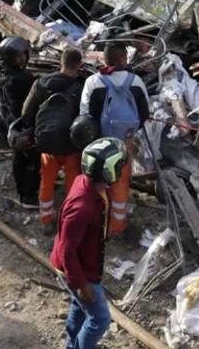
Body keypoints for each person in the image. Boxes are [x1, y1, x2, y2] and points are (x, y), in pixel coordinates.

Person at [50, 137, 127, 349]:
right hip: (78, 270)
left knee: (80, 308)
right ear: (109, 172)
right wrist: (82, 284)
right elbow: (67, 251)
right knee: (100, 320)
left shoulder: (88, 183)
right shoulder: (81, 209)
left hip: (85, 263)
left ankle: (71, 345)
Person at [80, 41, 150, 235]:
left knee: (97, 180)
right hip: (123, 142)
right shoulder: (135, 81)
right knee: (120, 181)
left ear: (105, 59)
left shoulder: (93, 81)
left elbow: (84, 114)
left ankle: (96, 222)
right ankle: (117, 226)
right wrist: (130, 132)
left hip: (98, 142)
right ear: (123, 59)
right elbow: (144, 112)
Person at [22, 47, 84, 231]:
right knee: (72, 184)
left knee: (47, 181)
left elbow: (26, 113)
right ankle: (70, 221)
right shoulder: (80, 89)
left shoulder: (41, 84)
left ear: (60, 63)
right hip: (71, 146)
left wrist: (38, 130)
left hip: (47, 144)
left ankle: (47, 219)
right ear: (79, 65)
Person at [0, 36, 38, 207]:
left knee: (19, 157)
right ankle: (29, 196)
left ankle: (22, 189)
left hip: (8, 123)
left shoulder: (2, 70)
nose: (23, 58)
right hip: (21, 126)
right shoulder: (20, 79)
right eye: (19, 56)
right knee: (31, 159)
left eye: (24, 54)